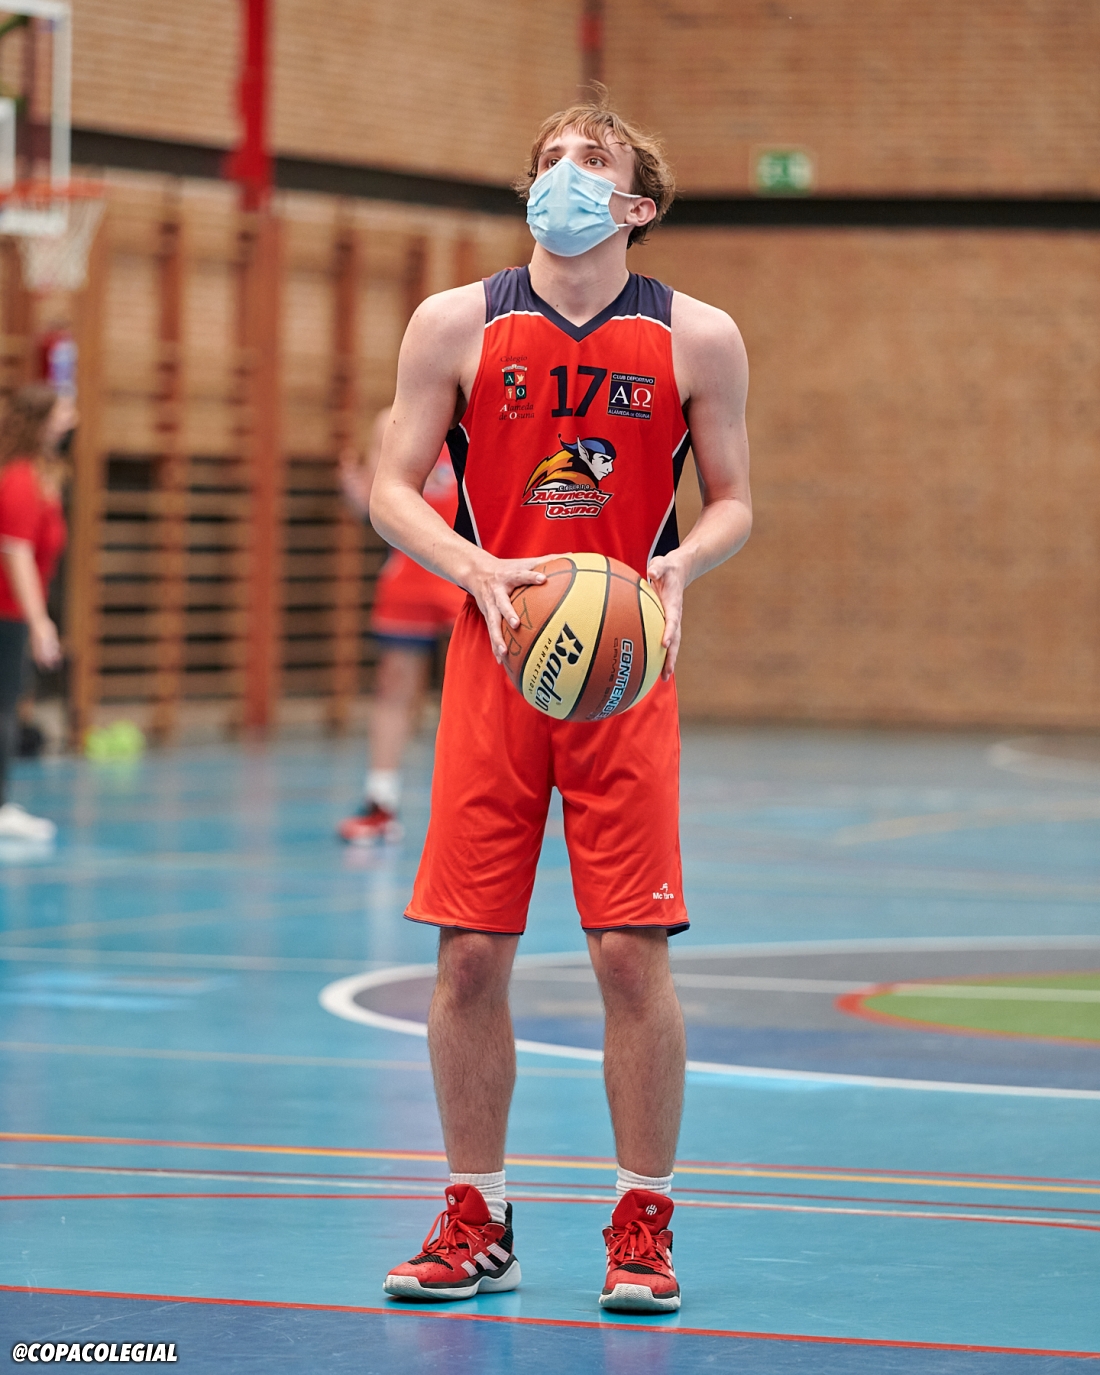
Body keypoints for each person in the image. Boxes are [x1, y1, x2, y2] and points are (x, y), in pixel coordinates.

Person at [370, 92, 751, 1312]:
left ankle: (642, 1223)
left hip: (622, 674)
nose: (562, 175)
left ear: (637, 203)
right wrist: (471, 565)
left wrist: (680, 566)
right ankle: (474, 1217)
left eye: (590, 160)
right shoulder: (455, 322)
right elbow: (390, 486)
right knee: (469, 952)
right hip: (494, 659)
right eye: (547, 159)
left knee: (629, 956)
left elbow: (733, 499)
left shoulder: (697, 336)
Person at [337, 407, 466, 844]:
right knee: (394, 682)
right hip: (411, 566)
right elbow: (377, 502)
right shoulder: (391, 420)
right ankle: (380, 800)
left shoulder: (487, 409)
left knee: (480, 685)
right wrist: (358, 495)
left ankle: (481, 803)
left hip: (471, 564)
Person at [0, 383, 74, 841]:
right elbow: (16, 551)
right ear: (41, 420)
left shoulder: (38, 475)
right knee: (3, 707)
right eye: (64, 411)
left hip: (10, 613)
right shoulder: (20, 479)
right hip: (5, 611)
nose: (72, 419)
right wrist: (39, 621)